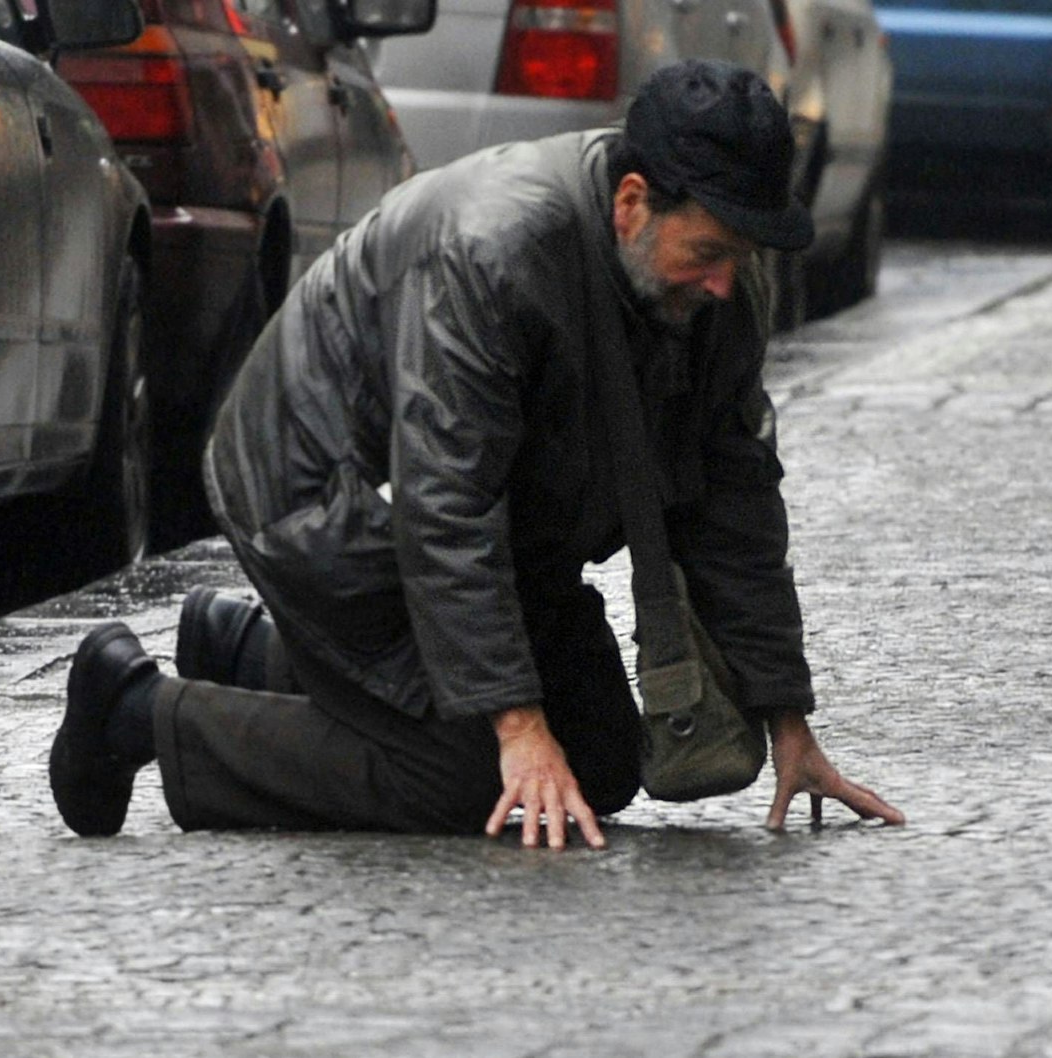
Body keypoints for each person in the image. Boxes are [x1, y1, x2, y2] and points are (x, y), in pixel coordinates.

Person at [47, 60, 904, 848]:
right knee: (470, 778)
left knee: (600, 760)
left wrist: (785, 718)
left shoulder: (712, 283)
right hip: (322, 498)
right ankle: (140, 709)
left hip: (487, 520)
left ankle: (250, 653)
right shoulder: (495, 254)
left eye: (741, 256)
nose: (725, 282)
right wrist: (515, 727)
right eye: (710, 254)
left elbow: (735, 495)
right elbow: (445, 506)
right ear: (632, 202)